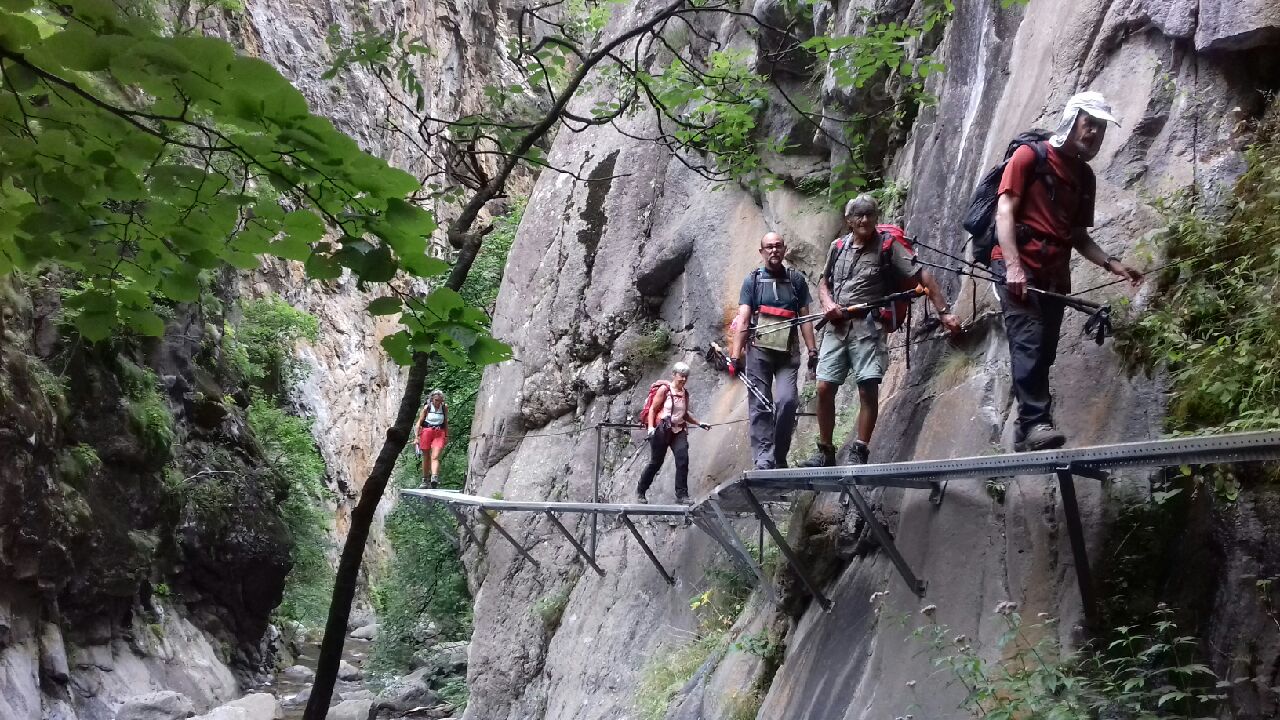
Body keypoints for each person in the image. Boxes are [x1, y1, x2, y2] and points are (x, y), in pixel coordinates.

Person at [992, 92, 1142, 451]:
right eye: (1089, 123)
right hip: (1016, 263)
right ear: (1072, 119)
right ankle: (1036, 422)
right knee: (1027, 342)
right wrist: (1013, 266)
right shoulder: (1030, 156)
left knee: (1044, 351)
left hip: (1055, 273)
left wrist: (1112, 263)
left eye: (1100, 128)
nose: (1094, 133)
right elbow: (1004, 212)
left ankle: (1026, 432)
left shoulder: (1084, 177)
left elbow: (1077, 236)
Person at [800, 194, 961, 467]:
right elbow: (823, 281)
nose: (864, 220)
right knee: (824, 387)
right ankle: (825, 451)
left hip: (868, 328)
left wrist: (944, 312)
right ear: (848, 221)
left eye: (870, 214)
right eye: (859, 215)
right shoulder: (837, 246)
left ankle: (859, 449)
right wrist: (827, 303)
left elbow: (921, 274)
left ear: (876, 217)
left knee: (867, 388)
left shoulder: (888, 245)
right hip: (836, 328)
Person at [728, 232, 818, 470]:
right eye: (769, 247)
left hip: (787, 352)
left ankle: (779, 454)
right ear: (761, 252)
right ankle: (764, 460)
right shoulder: (752, 281)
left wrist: (812, 350)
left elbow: (805, 318)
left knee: (788, 401)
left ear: (784, 249)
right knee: (760, 404)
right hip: (759, 352)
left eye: (778, 246)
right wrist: (735, 356)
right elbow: (744, 318)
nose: (774, 250)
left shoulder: (796, 280)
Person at [636, 362, 710, 504]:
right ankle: (641, 491)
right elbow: (653, 409)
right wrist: (651, 427)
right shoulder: (665, 390)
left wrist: (699, 423)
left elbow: (684, 414)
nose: (683, 379)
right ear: (674, 375)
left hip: (678, 430)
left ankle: (682, 495)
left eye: (685, 377)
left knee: (683, 459)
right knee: (656, 463)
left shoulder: (684, 394)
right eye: (681, 376)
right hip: (662, 430)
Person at [415, 389, 448, 488]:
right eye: (436, 400)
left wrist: (447, 435)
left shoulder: (444, 407)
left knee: (435, 456)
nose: (437, 402)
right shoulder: (427, 408)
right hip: (426, 431)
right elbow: (419, 422)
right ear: (432, 399)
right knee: (426, 456)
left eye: (440, 400)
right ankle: (425, 479)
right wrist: (416, 437)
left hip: (439, 432)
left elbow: (446, 421)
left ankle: (434, 478)